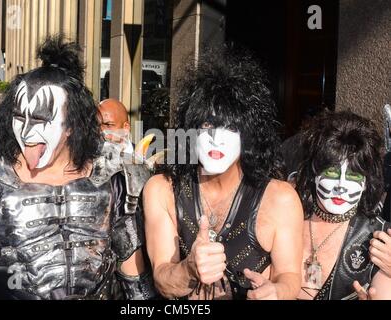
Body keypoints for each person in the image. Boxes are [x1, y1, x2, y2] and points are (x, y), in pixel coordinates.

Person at [0, 35, 156, 300]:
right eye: (20, 116)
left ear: (73, 124)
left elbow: (134, 277)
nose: (27, 131)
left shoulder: (112, 176)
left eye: (42, 118)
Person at [143, 48, 304, 300]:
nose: (216, 139)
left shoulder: (280, 198)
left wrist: (276, 291)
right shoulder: (162, 189)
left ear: (249, 135)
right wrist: (189, 269)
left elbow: (290, 276)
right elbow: (162, 279)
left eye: (230, 127)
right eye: (207, 125)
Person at [295, 111, 391, 300]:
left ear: (365, 183)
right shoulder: (286, 216)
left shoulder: (380, 240)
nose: (341, 186)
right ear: (314, 173)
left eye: (353, 175)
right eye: (331, 172)